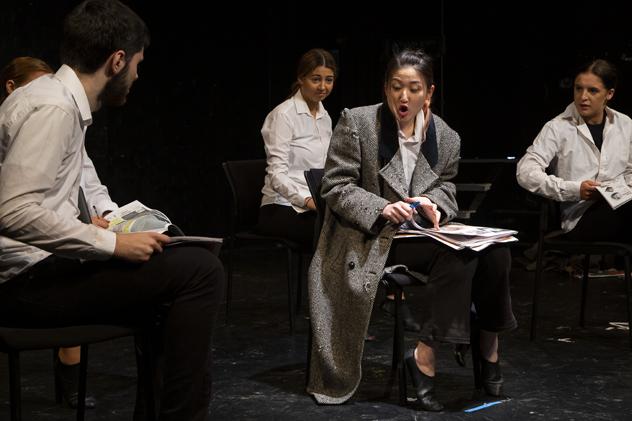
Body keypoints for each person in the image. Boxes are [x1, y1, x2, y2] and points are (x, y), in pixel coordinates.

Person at [0, 2, 224, 420]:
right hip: (21, 283)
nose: (137, 75)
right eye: (137, 64)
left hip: (38, 269)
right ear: (117, 60)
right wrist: (110, 244)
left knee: (175, 266)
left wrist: (98, 228)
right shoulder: (54, 107)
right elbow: (13, 211)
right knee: (200, 272)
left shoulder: (55, 99)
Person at [306, 49, 516, 411]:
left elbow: (446, 187)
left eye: (413, 88)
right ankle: (428, 357)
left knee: (496, 251)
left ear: (429, 93)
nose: (404, 97)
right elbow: (336, 187)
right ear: (386, 88)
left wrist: (434, 202)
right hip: (370, 236)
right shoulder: (358, 124)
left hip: (418, 233)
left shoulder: (446, 137)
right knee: (459, 257)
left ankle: (484, 346)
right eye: (396, 87)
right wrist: (382, 207)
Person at [0, 55, 123, 409]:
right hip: (22, 255)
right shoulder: (21, 122)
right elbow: (19, 211)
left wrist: (109, 215)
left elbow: (89, 179)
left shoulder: (62, 118)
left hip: (59, 236)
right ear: (12, 88)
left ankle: (69, 376)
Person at [517, 59, 632, 242]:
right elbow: (525, 172)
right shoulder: (557, 127)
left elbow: (629, 170)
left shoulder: (625, 124)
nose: (583, 97)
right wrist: (574, 189)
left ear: (609, 94)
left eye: (592, 90)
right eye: (578, 89)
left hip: (620, 207)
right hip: (580, 218)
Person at [257, 48, 336, 249]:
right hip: (280, 206)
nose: (323, 86)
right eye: (316, 79)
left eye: (329, 80)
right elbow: (277, 175)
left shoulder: (325, 117)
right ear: (301, 79)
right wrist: (307, 200)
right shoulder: (284, 115)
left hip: (315, 204)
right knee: (334, 235)